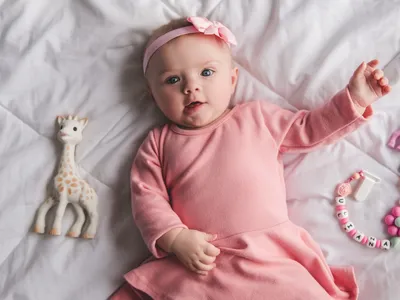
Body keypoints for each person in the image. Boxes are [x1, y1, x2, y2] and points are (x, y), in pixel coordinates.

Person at [111, 16, 391, 300]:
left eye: (206, 73)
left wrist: (354, 99)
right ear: (153, 96)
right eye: (173, 80)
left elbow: (309, 129)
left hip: (267, 254)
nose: (191, 87)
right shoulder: (158, 143)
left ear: (232, 79)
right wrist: (175, 237)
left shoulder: (257, 117)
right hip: (202, 258)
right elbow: (147, 197)